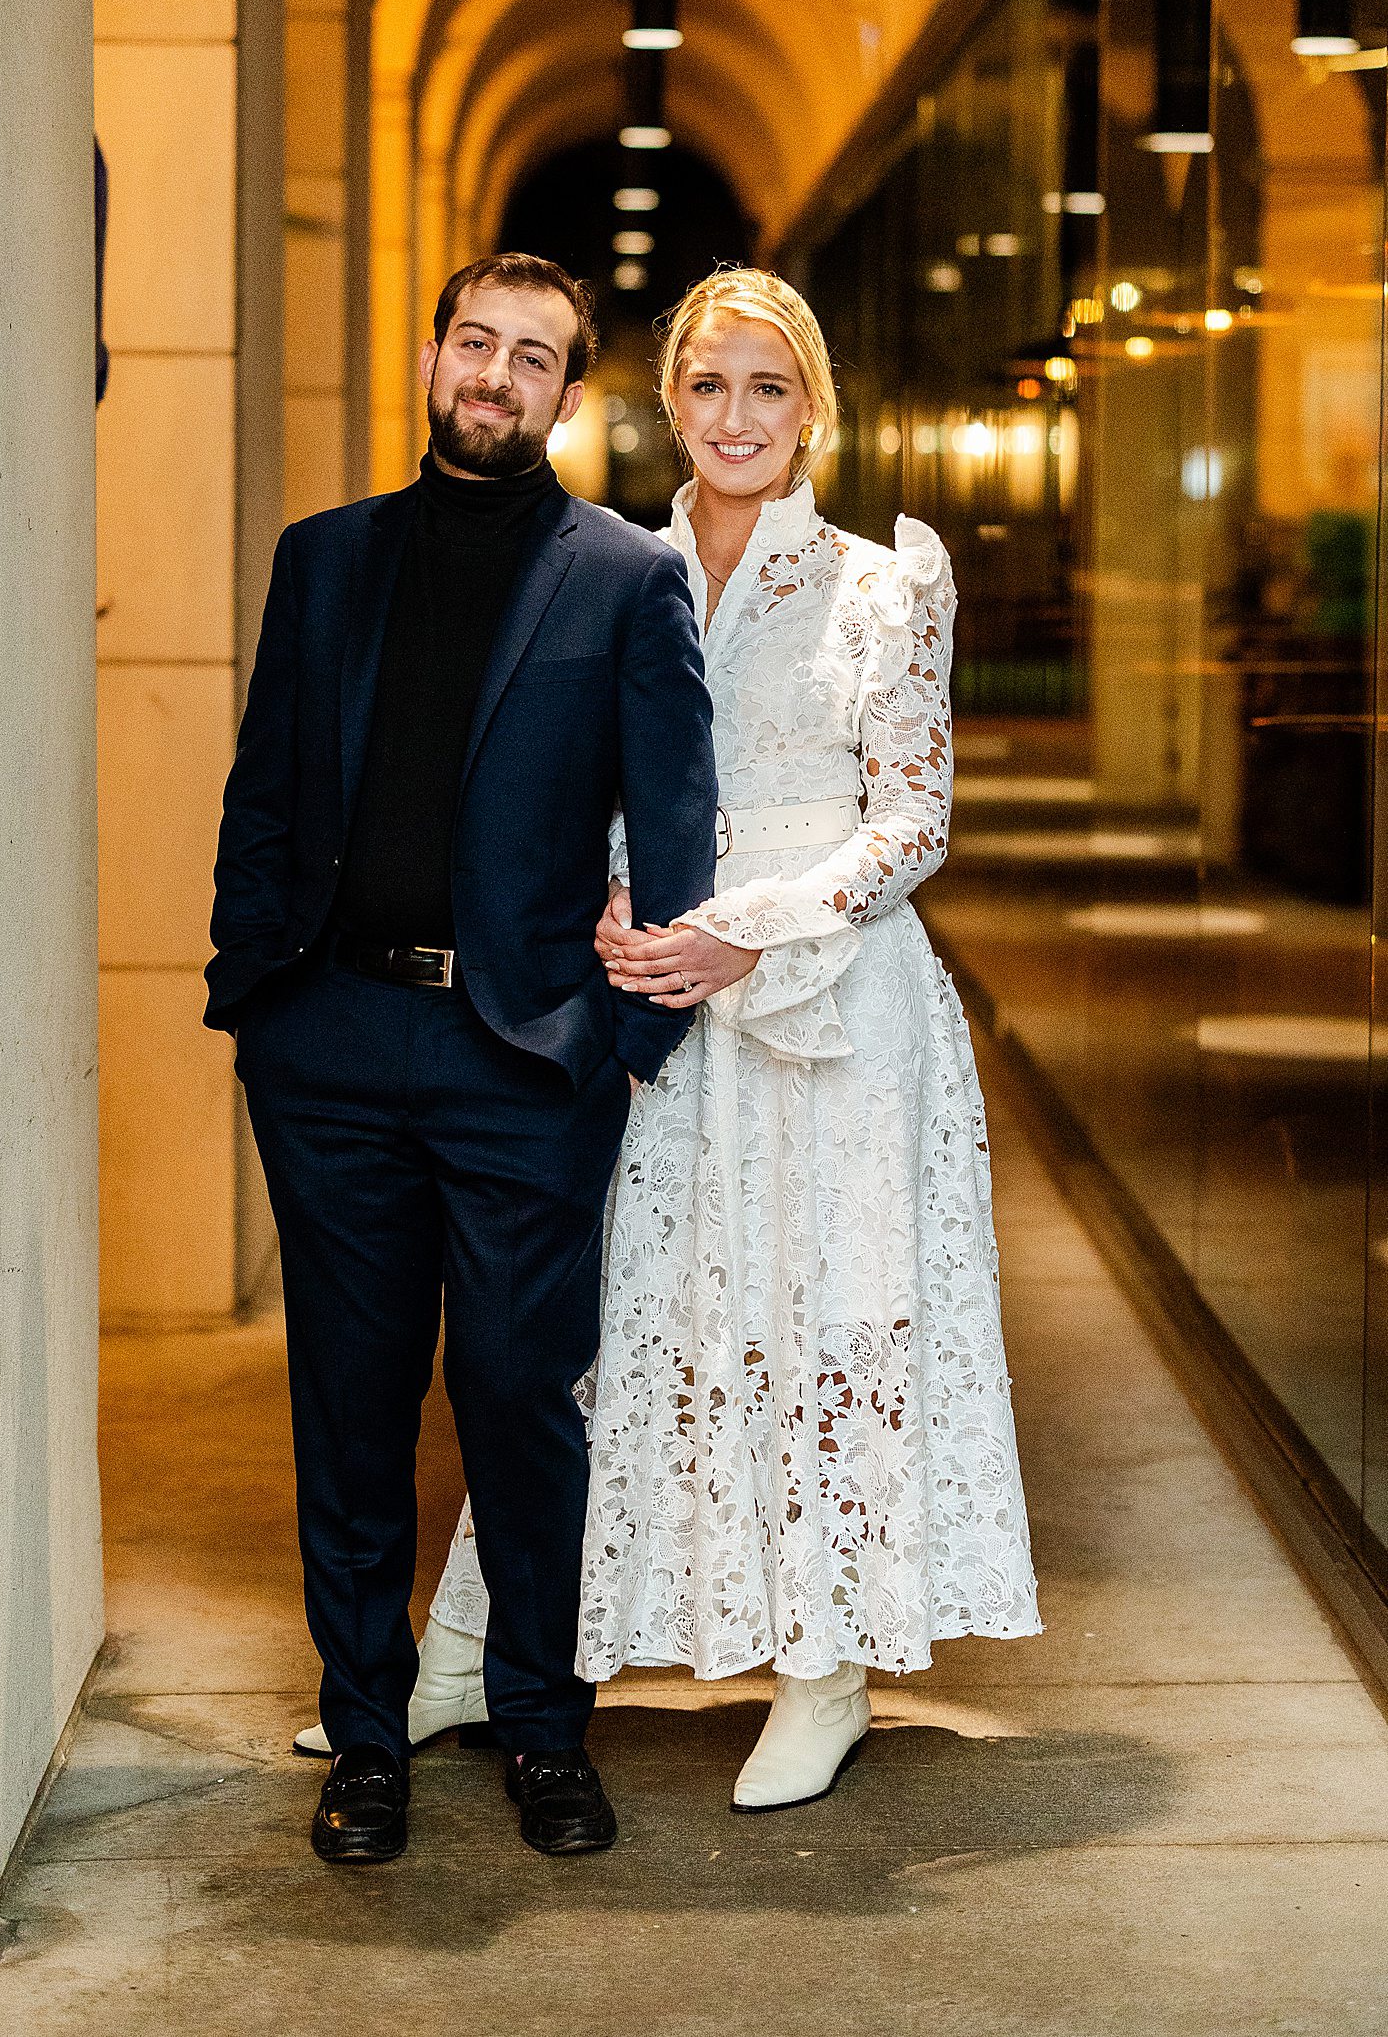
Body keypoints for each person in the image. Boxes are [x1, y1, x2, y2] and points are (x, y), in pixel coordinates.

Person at [360, 266, 1041, 1812]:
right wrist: (612, 901)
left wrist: (756, 923)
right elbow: (573, 781)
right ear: (667, 402)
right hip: (652, 996)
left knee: (828, 1316)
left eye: (770, 389)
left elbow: (915, 818)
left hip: (837, 1010)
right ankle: (486, 1641)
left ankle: (825, 1667)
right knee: (595, 1326)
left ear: (812, 412)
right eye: (711, 387)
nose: (738, 418)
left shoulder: (885, 584)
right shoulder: (603, 566)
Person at [206, 253, 717, 1863]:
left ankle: (541, 1724)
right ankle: (366, 1741)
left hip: (527, 1054)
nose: (495, 375)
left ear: (570, 398)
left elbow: (681, 822)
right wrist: (251, 993)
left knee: (516, 1397)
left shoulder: (626, 580)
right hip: (334, 1037)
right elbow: (264, 793)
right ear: (435, 361)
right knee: (349, 1402)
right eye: (475, 344)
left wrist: (627, 1041)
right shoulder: (325, 560)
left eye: (533, 358)